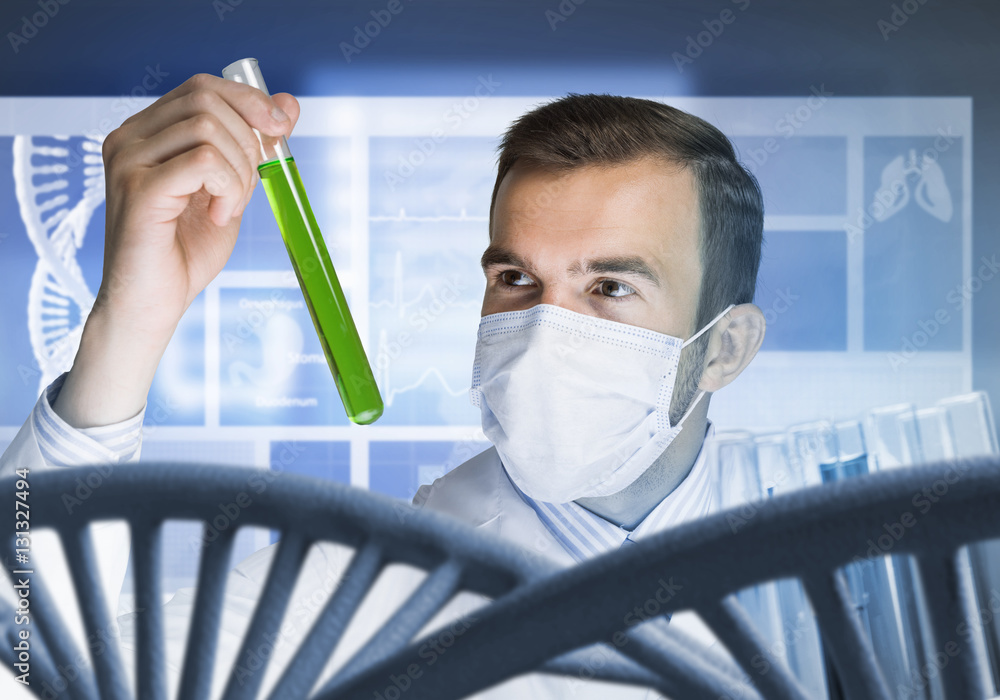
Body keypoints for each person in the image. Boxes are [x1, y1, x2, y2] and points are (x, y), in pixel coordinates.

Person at [0, 74, 765, 697]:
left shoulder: (840, 537)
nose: (544, 333)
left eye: (610, 287)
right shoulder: (364, 586)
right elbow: (23, 669)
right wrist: (127, 324)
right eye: (515, 278)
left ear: (724, 350)